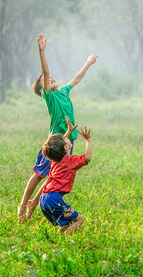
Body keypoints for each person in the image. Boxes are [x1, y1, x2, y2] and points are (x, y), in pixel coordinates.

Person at [17, 33, 97, 222]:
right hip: (55, 142)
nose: (50, 78)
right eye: (44, 80)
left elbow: (76, 79)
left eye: (51, 78)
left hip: (69, 139)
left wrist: (88, 63)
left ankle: (33, 206)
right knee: (39, 174)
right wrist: (41, 50)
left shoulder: (62, 91)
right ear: (42, 89)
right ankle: (23, 205)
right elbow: (45, 72)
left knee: (55, 174)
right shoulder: (50, 97)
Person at [38, 118, 92, 235]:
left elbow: (60, 146)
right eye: (65, 138)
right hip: (53, 199)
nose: (66, 138)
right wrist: (88, 140)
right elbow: (87, 157)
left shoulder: (55, 159)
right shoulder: (70, 161)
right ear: (66, 147)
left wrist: (68, 131)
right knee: (79, 220)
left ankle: (58, 241)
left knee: (68, 223)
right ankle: (64, 243)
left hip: (43, 199)